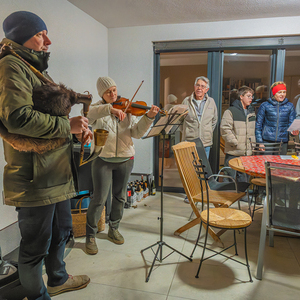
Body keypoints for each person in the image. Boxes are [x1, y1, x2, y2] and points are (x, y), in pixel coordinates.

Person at [0, 11, 92, 299]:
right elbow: (17, 118)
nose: (48, 41)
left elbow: (48, 114)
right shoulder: (10, 66)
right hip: (35, 179)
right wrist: (68, 126)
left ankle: (58, 278)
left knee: (63, 231)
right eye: (41, 34)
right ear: (21, 35)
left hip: (56, 174)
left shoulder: (32, 67)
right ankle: (38, 296)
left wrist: (77, 129)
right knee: (34, 247)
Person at [85, 76, 159, 255]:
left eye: (114, 90)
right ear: (101, 93)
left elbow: (137, 133)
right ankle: (91, 235)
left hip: (125, 159)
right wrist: (110, 110)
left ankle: (114, 228)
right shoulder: (95, 109)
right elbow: (89, 116)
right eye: (108, 91)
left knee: (120, 197)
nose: (113, 94)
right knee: (99, 198)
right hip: (102, 159)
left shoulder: (128, 107)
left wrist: (148, 118)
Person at [221, 86, 256, 182]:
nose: (251, 99)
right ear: (241, 96)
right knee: (229, 179)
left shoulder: (251, 112)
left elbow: (253, 131)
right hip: (234, 151)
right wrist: (235, 142)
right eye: (248, 96)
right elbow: (225, 128)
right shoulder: (231, 111)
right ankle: (227, 196)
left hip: (247, 153)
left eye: (252, 96)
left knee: (244, 180)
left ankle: (243, 197)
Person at [255, 81, 299, 154]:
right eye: (279, 92)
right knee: (265, 163)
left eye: (284, 92)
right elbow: (258, 125)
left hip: (282, 143)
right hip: (267, 141)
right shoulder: (265, 105)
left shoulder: (290, 106)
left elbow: (291, 124)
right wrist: (260, 142)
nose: (282, 94)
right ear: (274, 93)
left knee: (279, 164)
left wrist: (293, 132)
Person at [181, 76, 218, 159]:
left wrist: (207, 130)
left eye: (202, 86)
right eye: (197, 85)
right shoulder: (186, 101)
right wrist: (187, 131)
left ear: (206, 90)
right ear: (194, 87)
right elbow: (180, 120)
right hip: (189, 142)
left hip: (205, 143)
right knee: (190, 169)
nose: (199, 88)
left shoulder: (211, 102)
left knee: (203, 169)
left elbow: (214, 120)